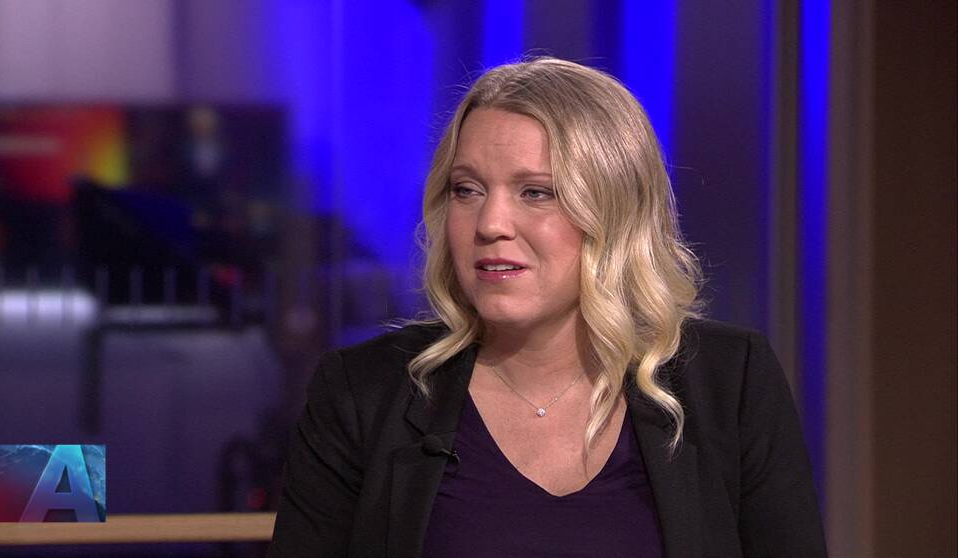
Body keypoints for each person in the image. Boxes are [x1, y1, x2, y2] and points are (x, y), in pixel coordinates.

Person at [268, 57, 827, 557]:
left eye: (536, 192)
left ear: (614, 213)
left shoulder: (730, 382)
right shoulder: (363, 392)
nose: (490, 224)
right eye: (467, 190)